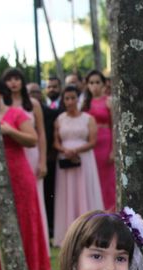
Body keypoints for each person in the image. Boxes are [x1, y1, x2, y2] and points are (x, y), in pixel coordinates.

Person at [0, 78, 50, 270]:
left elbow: (32, 139)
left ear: (0, 93)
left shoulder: (16, 113)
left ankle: (29, 267)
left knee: (24, 217)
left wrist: (10, 131)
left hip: (18, 170)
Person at [2, 68, 49, 251]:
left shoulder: (33, 104)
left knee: (35, 198)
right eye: (9, 79)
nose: (13, 83)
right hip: (12, 155)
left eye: (16, 79)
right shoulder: (2, 104)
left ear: (22, 81)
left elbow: (41, 134)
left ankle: (39, 242)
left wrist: (43, 161)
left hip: (32, 153)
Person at [52, 85, 103, 247]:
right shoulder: (59, 119)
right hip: (66, 159)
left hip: (84, 159)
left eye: (73, 98)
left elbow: (93, 141)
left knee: (84, 192)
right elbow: (55, 141)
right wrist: (64, 150)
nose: (70, 101)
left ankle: (89, 230)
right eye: (66, 98)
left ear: (78, 99)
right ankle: (68, 233)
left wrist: (77, 150)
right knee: (67, 194)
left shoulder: (88, 119)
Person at [28, 81, 61, 238]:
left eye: (36, 92)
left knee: (49, 194)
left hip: (49, 158)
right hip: (29, 158)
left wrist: (48, 155)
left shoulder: (51, 112)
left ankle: (50, 226)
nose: (33, 95)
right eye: (30, 92)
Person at [82, 69, 115, 211]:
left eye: (97, 82)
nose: (94, 85)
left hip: (105, 143)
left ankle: (110, 210)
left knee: (107, 180)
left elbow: (115, 126)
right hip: (89, 145)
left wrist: (113, 150)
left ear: (103, 84)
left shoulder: (109, 101)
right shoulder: (84, 103)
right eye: (91, 83)